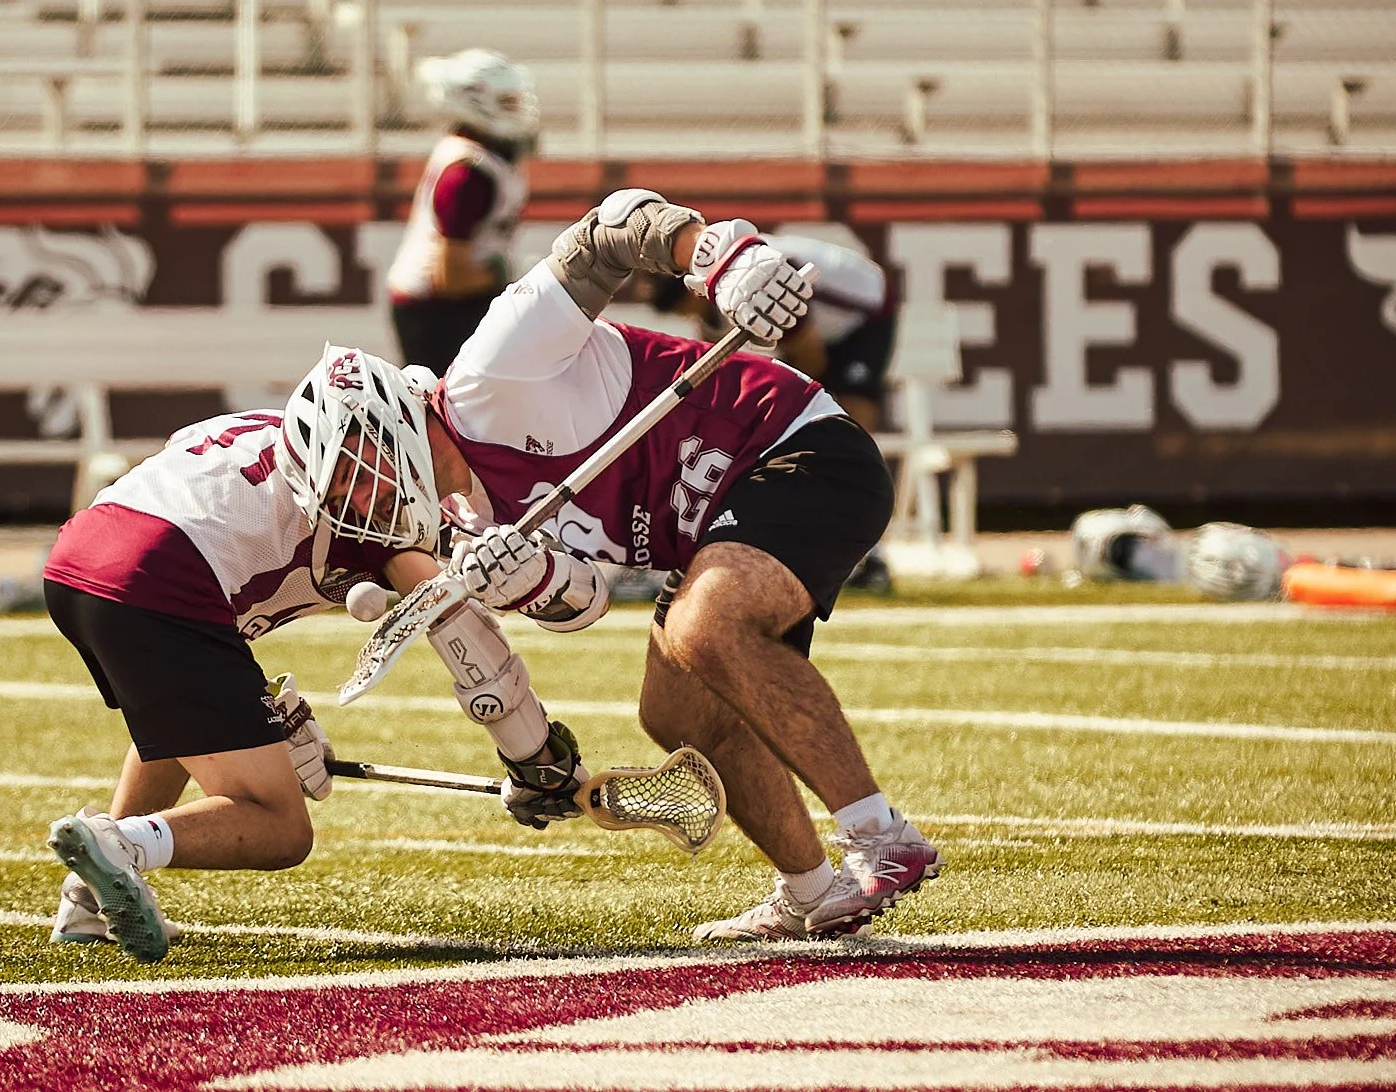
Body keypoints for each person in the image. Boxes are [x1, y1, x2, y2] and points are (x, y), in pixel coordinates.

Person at [309, 190, 941, 942]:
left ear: (388, 423)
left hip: (794, 447)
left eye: (354, 473)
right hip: (714, 525)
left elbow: (609, 231)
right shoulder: (461, 524)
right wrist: (530, 582)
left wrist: (721, 259)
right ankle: (813, 889)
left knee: (707, 626)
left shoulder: (488, 376)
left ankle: (881, 835)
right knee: (672, 713)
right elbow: (585, 602)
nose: (362, 500)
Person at [36, 349, 601, 963]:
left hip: (77, 561)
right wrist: (536, 757)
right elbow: (466, 644)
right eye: (351, 470)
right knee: (279, 825)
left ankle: (88, 900)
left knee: (182, 724)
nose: (360, 491)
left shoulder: (280, 432)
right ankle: (120, 844)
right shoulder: (378, 514)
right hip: (157, 582)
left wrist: (260, 717)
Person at [384, 49, 536, 374]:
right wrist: (503, 276)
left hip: (452, 303)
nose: (517, 108)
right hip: (437, 309)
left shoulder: (483, 155)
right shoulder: (466, 175)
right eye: (507, 101)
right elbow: (450, 278)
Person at [650, 232, 894, 434]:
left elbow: (812, 357)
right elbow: (712, 367)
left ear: (691, 293)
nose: (685, 317)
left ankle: (854, 473)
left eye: (680, 310)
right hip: (814, 318)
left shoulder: (760, 288)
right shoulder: (717, 289)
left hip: (866, 310)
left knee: (848, 412)